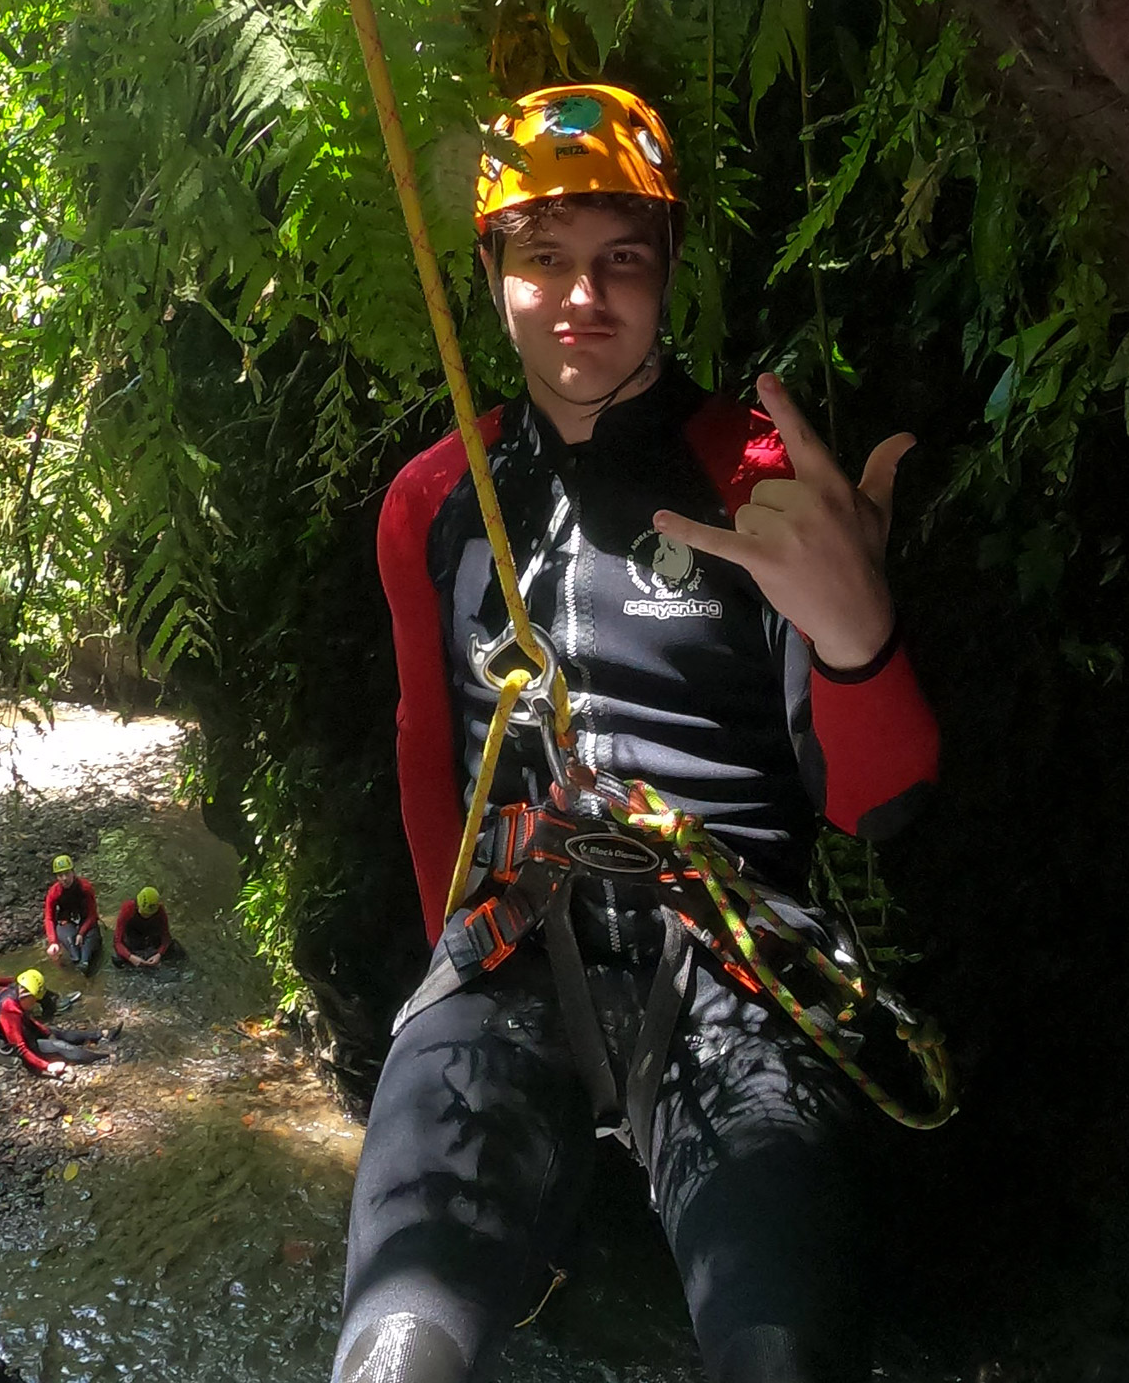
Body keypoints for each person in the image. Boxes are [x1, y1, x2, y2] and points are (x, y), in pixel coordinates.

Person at [335, 84, 939, 1383]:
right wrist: (449, 966)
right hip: (509, 953)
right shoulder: (435, 503)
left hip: (734, 979)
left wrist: (856, 637)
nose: (580, 297)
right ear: (490, 270)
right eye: (543, 259)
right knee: (392, 1357)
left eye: (621, 261)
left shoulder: (759, 481)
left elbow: (878, 805)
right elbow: (427, 764)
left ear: (668, 275)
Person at [0, 968, 110, 1077]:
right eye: (34, 1000)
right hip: (6, 1048)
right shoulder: (9, 1010)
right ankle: (102, 1057)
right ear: (25, 995)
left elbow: (26, 1018)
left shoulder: (14, 993)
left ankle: (100, 1035)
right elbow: (20, 1048)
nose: (35, 1003)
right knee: (60, 1046)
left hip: (17, 1030)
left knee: (56, 1032)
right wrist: (47, 1066)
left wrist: (45, 1031)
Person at [43, 854, 102, 974]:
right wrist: (53, 942)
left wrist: (81, 932)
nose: (64, 878)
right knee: (75, 955)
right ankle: (78, 960)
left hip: (86, 922)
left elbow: (92, 914)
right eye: (60, 875)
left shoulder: (85, 888)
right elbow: (49, 918)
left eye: (67, 874)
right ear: (57, 877)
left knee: (86, 957)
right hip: (67, 922)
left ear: (73, 873)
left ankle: (85, 961)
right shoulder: (54, 893)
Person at [111, 886, 186, 968]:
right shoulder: (128, 909)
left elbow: (166, 937)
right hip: (133, 938)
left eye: (149, 914)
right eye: (143, 913)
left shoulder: (160, 911)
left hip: (151, 936)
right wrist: (130, 957)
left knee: (176, 948)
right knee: (116, 958)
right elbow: (117, 941)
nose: (146, 916)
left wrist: (159, 954)